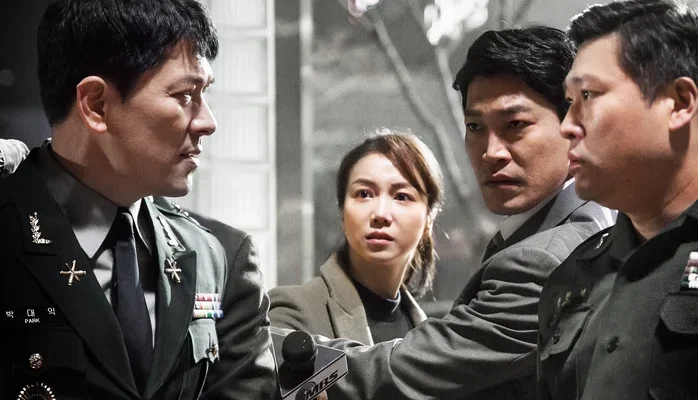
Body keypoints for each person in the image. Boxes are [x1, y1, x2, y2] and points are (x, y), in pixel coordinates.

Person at [310, 26, 615, 400]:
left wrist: (280, 358)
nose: (491, 152)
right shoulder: (595, 218)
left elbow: (407, 372)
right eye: (475, 127)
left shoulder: (545, 260)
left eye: (515, 125)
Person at [0, 1, 275, 399]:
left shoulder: (219, 257)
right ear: (96, 105)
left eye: (204, 93)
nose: (208, 122)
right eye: (185, 95)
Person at [537, 1, 698, 399]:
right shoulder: (571, 278)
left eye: (588, 95)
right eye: (569, 102)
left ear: (679, 102)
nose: (567, 126)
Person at [269, 130, 443, 344]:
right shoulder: (294, 311)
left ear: (429, 218)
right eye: (364, 194)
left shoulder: (428, 337)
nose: (380, 213)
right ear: (342, 213)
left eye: (401, 196)